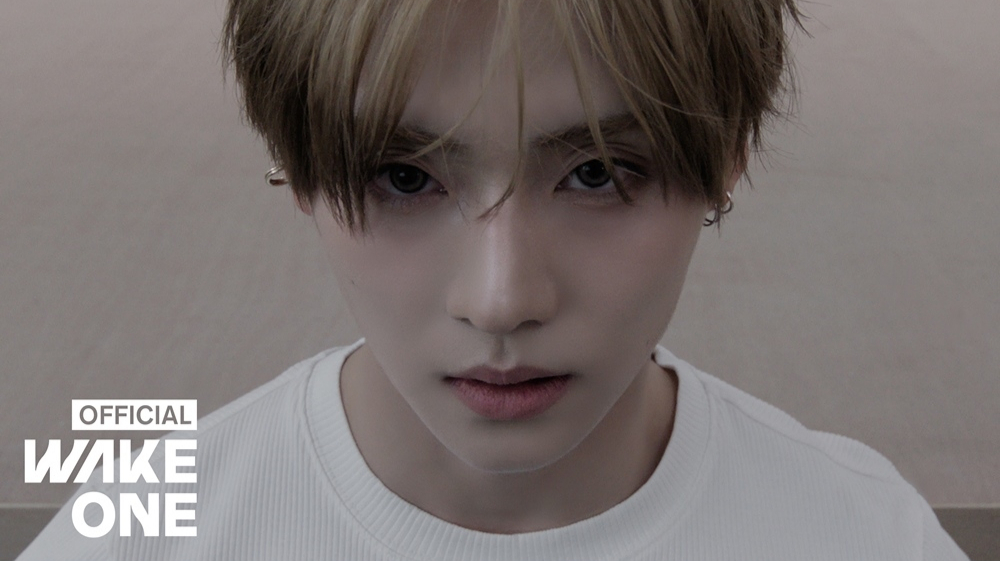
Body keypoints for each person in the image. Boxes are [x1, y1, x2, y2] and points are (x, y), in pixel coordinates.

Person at [19, 0, 970, 559]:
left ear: (727, 158)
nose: (502, 298)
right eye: (404, 177)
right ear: (299, 169)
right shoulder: (136, 538)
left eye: (597, 170)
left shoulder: (864, 535)